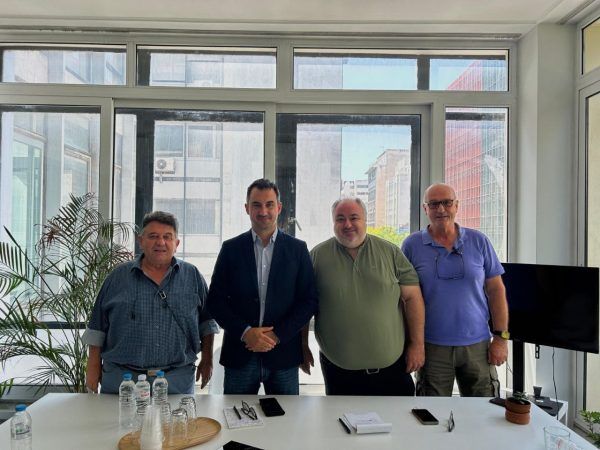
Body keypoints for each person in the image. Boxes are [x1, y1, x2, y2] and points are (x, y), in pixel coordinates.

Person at [83, 211, 218, 394]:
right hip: (122, 380)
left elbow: (207, 324)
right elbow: (97, 327)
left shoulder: (192, 276)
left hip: (177, 380)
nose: (160, 242)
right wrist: (93, 367)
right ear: (141, 241)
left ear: (176, 244)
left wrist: (208, 360)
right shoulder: (117, 277)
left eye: (167, 237)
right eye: (153, 236)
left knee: (177, 416)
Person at [207, 178, 318, 395]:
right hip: (240, 353)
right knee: (236, 413)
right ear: (247, 208)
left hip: (283, 354)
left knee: (286, 415)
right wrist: (246, 333)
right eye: (256, 205)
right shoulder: (231, 249)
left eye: (269, 204)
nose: (263, 211)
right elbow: (215, 301)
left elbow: (308, 301)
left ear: (279, 207)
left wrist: (276, 335)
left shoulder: (297, 249)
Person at [306, 197, 425, 396]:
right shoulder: (316, 256)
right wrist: (302, 346)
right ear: (333, 222)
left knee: (399, 416)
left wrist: (417, 344)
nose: (347, 224)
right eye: (340, 219)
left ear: (365, 220)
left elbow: (413, 298)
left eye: (354, 218)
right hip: (339, 372)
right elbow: (304, 305)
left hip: (393, 370)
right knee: (341, 416)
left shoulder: (391, 253)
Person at [401, 183, 508, 397]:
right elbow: (405, 298)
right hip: (431, 347)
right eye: (434, 204)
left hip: (477, 346)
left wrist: (501, 338)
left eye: (447, 203)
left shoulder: (479, 241)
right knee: (431, 412)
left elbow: (496, 291)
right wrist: (414, 344)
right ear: (425, 209)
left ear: (456, 205)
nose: (441, 209)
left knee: (483, 410)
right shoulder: (412, 245)